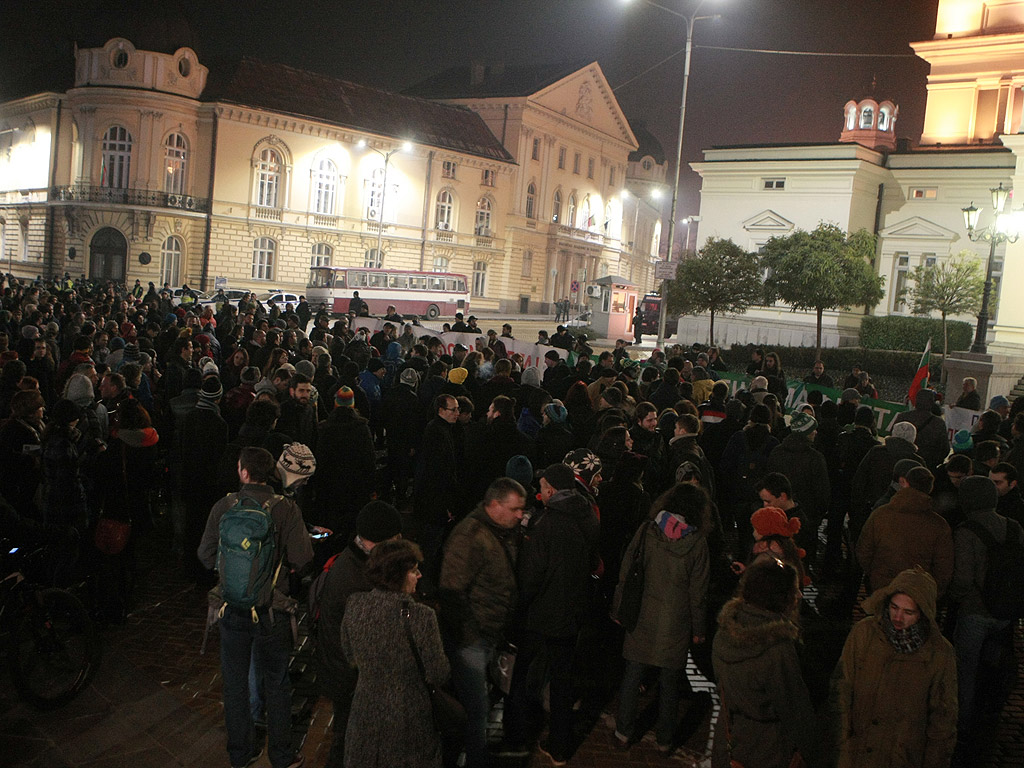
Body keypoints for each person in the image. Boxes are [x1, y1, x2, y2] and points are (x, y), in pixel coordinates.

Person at [197, 446, 313, 768]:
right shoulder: (285, 509)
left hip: (231, 610)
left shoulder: (224, 505)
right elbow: (302, 559)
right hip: (271, 612)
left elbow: (205, 555)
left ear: (242, 471)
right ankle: (282, 755)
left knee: (234, 686)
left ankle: (241, 754)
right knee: (276, 683)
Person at [503, 463, 599, 765]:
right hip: (572, 611)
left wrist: (518, 606)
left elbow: (532, 575)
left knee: (520, 674)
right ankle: (560, 745)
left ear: (552, 490)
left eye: (542, 485)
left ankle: (514, 734)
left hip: (542, 613)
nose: (539, 491)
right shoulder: (588, 515)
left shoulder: (547, 524)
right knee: (562, 680)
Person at [611, 483, 710, 757]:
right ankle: (665, 740)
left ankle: (623, 732)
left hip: (642, 614)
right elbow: (698, 592)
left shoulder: (647, 530)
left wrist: (619, 608)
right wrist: (699, 629)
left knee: (632, 675)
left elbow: (627, 570)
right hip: (675, 623)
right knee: (669, 684)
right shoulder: (697, 542)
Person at [439, 478, 527, 768]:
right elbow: (452, 590)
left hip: (488, 633)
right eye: (514, 509)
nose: (520, 515)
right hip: (472, 639)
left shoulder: (500, 531)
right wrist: (470, 636)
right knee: (477, 708)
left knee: (477, 705)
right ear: (494, 505)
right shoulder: (470, 536)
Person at [833, 567, 957, 768]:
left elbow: (942, 720)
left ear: (923, 613)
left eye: (908, 612)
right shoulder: (864, 634)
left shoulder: (939, 654)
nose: (898, 618)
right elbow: (841, 689)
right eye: (894, 607)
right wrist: (843, 746)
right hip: (857, 755)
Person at [341, 539, 450, 768]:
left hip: (365, 712)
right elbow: (438, 673)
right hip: (409, 717)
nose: (419, 575)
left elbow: (350, 655)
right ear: (397, 574)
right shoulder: (422, 616)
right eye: (413, 570)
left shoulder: (354, 605)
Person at [314, 501, 403, 768]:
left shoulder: (356, 559)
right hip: (350, 679)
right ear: (381, 540)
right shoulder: (357, 580)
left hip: (346, 673)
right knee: (349, 741)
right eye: (396, 538)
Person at [712, 557, 822, 768]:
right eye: (794, 591)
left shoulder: (724, 632)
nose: (799, 595)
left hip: (729, 740)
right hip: (767, 749)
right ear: (780, 598)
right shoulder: (777, 649)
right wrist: (812, 753)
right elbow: (794, 708)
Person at [949, 475, 1024, 743]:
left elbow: (963, 579)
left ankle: (964, 722)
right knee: (994, 664)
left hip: (975, 612)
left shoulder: (966, 531)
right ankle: (991, 714)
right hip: (1007, 612)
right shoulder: (1014, 527)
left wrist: (952, 600)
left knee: (966, 668)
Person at [855, 466, 953, 596]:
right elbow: (943, 566)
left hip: (881, 587)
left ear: (905, 482)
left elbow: (864, 551)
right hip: (918, 591)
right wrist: (933, 591)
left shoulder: (881, 514)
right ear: (930, 488)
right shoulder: (939, 524)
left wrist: (875, 574)